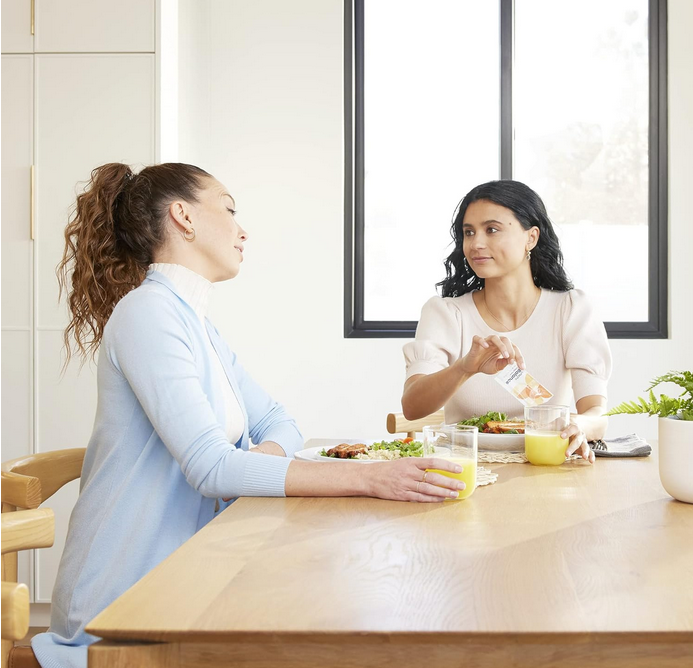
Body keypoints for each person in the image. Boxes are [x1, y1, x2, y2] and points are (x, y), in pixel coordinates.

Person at [31, 163, 462, 668]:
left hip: (188, 579)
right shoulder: (148, 314)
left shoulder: (197, 324)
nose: (242, 229)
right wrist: (368, 478)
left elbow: (280, 421)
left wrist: (256, 459)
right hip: (124, 604)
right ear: (183, 216)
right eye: (229, 209)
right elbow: (211, 469)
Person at [401, 180, 612, 462]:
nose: (476, 243)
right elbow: (412, 407)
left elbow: (596, 413)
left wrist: (579, 426)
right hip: (463, 470)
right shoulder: (445, 312)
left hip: (546, 465)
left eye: (492, 230)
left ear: (531, 237)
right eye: (468, 232)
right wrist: (465, 367)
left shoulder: (571, 309)